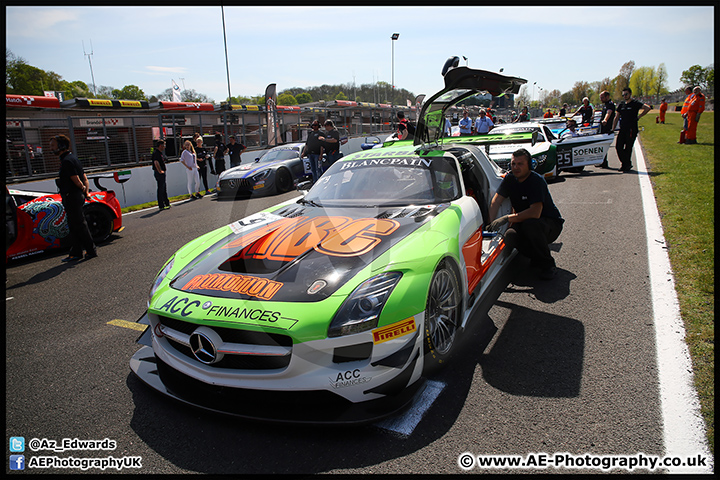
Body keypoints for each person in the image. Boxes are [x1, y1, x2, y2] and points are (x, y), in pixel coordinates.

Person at [486, 148, 564, 280]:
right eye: (513, 164)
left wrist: (506, 218)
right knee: (510, 236)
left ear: (529, 165)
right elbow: (496, 201)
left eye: (520, 164)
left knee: (530, 225)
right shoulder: (510, 179)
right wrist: (489, 225)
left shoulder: (536, 181)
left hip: (549, 224)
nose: (516, 167)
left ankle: (548, 265)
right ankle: (535, 257)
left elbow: (535, 212)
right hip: (526, 221)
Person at [52, 134, 97, 261]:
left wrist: (82, 189)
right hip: (74, 196)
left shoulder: (67, 161)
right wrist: (86, 191)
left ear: (61, 146)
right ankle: (76, 252)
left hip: (72, 196)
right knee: (74, 225)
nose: (51, 148)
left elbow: (77, 179)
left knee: (79, 225)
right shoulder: (73, 158)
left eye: (53, 145)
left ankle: (90, 249)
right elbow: (84, 178)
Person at [612, 87, 651, 172]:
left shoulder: (635, 103)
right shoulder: (621, 104)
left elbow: (647, 108)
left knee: (628, 148)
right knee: (618, 147)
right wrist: (613, 128)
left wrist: (639, 117)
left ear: (630, 94)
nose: (625, 96)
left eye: (626, 94)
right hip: (622, 129)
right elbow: (616, 117)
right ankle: (626, 163)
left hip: (631, 129)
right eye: (623, 95)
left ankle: (625, 165)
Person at [596, 90, 616, 168]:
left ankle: (604, 162)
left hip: (606, 127)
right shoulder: (605, 105)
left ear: (607, 97)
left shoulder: (610, 105)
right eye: (600, 97)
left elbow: (609, 113)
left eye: (602, 97)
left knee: (603, 144)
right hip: (602, 127)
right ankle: (603, 161)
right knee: (601, 144)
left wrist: (605, 120)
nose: (601, 99)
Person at [152, 139, 171, 210]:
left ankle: (166, 203)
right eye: (164, 145)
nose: (164, 147)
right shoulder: (156, 153)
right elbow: (156, 162)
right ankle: (161, 204)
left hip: (161, 173)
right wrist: (160, 171)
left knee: (163, 188)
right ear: (160, 146)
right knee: (161, 188)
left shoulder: (160, 153)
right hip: (159, 173)